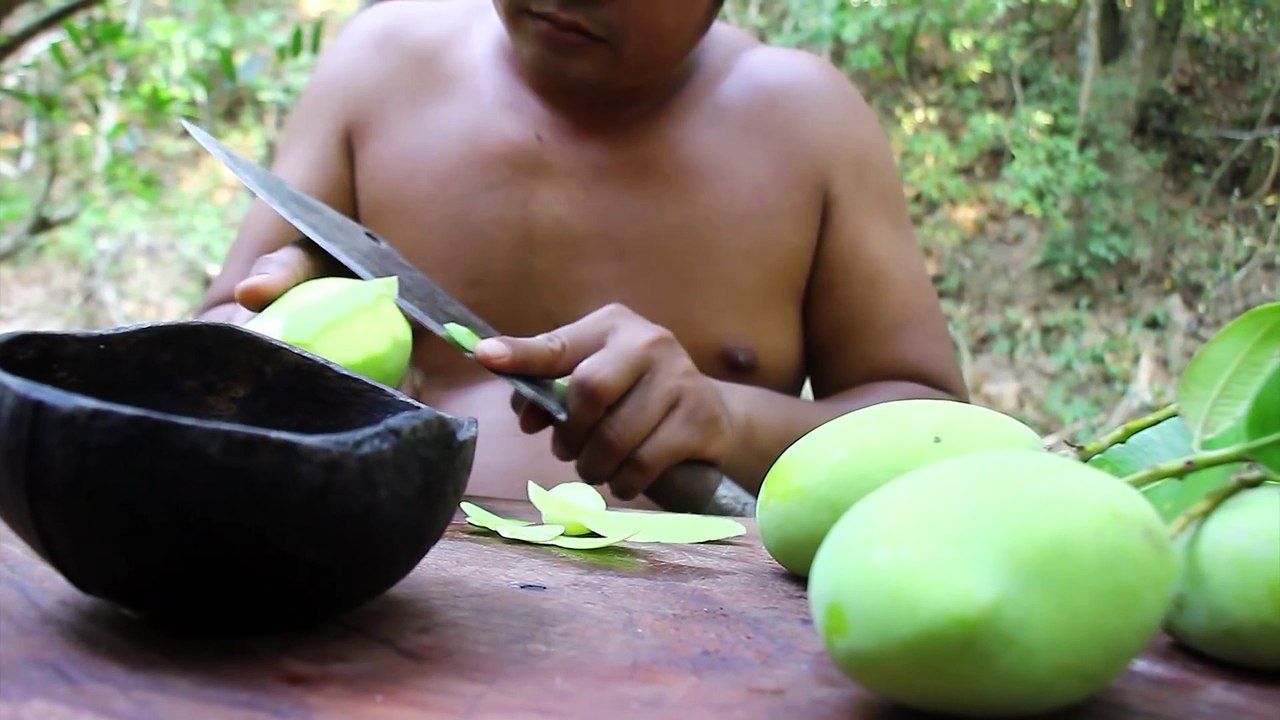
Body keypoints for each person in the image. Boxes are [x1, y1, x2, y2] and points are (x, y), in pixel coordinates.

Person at [195, 0, 968, 513]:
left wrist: (727, 419)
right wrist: (270, 337)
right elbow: (211, 347)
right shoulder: (381, 62)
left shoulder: (807, 124)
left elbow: (935, 435)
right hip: (376, 603)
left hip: (697, 641)